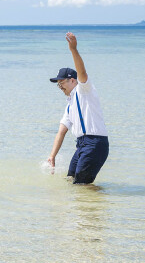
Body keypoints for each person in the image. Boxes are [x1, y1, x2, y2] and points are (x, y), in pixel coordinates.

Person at [46, 33, 109, 184]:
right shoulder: (70, 106)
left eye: (61, 82)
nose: (59, 86)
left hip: (95, 143)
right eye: (58, 84)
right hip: (81, 145)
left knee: (81, 185)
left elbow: (82, 72)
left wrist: (73, 49)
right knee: (70, 180)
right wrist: (52, 156)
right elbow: (61, 132)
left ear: (72, 80)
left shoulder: (84, 90)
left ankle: (95, 205)